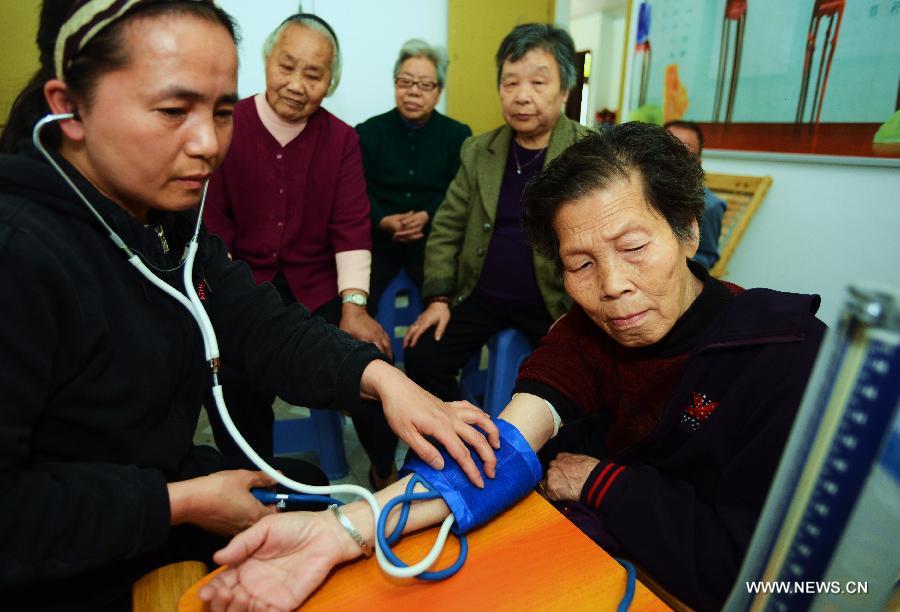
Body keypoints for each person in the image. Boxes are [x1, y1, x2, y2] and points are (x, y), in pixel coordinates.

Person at [198, 122, 826, 612]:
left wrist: (600, 482)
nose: (612, 286)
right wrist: (340, 532)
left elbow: (759, 575)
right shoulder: (586, 336)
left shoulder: (781, 356)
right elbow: (502, 450)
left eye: (634, 249)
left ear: (688, 231)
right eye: (579, 265)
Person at [0, 2, 497, 610]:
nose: (209, 143)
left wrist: (382, 380)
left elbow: (260, 322)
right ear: (68, 107)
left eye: (223, 111)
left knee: (314, 495)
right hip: (76, 548)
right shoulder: (21, 252)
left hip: (154, 486)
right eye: (173, 110)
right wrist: (180, 502)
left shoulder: (163, 225)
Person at [202, 14, 399, 487]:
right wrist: (228, 305)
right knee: (230, 377)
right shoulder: (228, 123)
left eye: (313, 74)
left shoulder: (342, 139)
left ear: (330, 82)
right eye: (286, 66)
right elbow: (213, 224)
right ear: (267, 62)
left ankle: (383, 468)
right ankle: (259, 482)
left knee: (369, 362)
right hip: (242, 287)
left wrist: (354, 305)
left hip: (316, 288)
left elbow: (352, 225)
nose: (296, 84)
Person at [402, 23, 591, 402]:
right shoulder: (478, 151)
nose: (522, 97)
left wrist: (580, 313)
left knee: (571, 380)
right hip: (480, 295)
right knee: (421, 355)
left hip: (553, 303)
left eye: (538, 84)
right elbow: (447, 227)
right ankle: (467, 428)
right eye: (510, 83)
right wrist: (438, 299)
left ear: (565, 90)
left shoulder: (589, 153)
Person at [356, 39, 472, 311]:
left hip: (433, 244)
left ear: (439, 91)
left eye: (425, 85)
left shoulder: (458, 136)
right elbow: (356, 191)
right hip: (379, 242)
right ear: (395, 84)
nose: (413, 92)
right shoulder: (369, 132)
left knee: (449, 309)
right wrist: (383, 220)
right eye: (405, 82)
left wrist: (426, 215)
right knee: (357, 313)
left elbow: (458, 192)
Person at [664, 119, 728, 270]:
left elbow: (707, 257)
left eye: (684, 152)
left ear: (697, 163)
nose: (673, 157)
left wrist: (673, 258)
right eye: (666, 148)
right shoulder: (638, 191)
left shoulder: (708, 206)